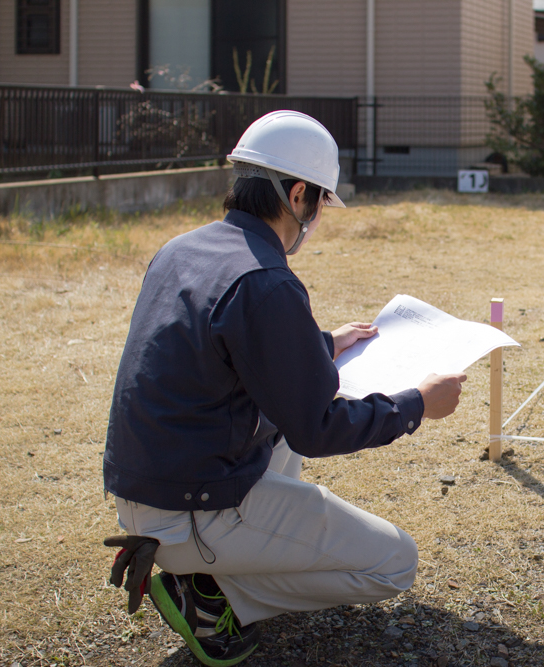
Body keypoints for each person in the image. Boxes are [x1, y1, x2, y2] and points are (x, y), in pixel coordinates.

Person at [102, 110, 466, 666]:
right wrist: (417, 405)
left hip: (156, 484)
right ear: (298, 194)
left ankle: (201, 565)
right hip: (191, 505)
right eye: (319, 202)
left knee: (282, 429)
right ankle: (212, 591)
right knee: (395, 564)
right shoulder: (266, 280)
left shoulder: (184, 249)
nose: (317, 216)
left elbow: (225, 354)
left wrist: (321, 344)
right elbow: (317, 428)